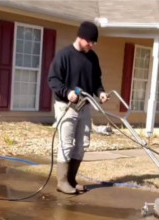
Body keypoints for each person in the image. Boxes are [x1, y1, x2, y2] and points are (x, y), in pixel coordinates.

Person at [48, 21, 109, 194]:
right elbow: (53, 79)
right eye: (90, 41)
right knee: (66, 143)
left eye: (94, 42)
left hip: (85, 106)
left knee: (82, 143)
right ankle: (62, 182)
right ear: (81, 37)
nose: (92, 45)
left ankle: (71, 180)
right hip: (66, 106)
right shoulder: (64, 55)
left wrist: (101, 93)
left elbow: (96, 81)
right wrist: (67, 92)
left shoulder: (92, 58)